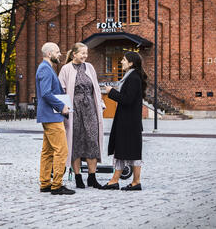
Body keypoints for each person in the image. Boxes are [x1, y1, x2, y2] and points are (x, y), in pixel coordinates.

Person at [58, 42, 105, 189]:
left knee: (92, 141)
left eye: (86, 53)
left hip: (90, 108)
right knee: (75, 142)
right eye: (82, 53)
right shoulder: (66, 69)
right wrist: (62, 109)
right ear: (74, 54)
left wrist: (101, 104)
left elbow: (96, 88)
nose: (85, 56)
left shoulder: (89, 67)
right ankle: (78, 177)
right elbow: (61, 91)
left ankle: (92, 177)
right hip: (74, 110)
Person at [101, 51, 147, 191]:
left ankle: (134, 182)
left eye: (124, 60)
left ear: (131, 63)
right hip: (127, 121)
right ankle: (116, 180)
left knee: (130, 151)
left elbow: (127, 100)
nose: (121, 61)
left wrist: (111, 92)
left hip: (129, 123)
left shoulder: (133, 78)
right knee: (123, 151)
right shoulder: (131, 76)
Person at [36, 42, 75, 195]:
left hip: (48, 115)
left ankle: (45, 183)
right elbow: (46, 93)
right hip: (51, 115)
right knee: (61, 150)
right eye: (58, 52)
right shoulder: (45, 69)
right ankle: (57, 185)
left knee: (48, 151)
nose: (60, 54)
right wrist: (61, 106)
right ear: (49, 53)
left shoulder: (46, 68)